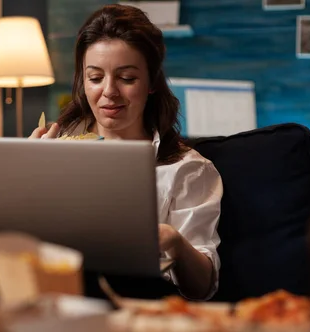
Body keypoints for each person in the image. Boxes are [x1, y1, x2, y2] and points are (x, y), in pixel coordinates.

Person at [30, 4, 223, 301]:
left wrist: (173, 241)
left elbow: (202, 287)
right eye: (95, 78)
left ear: (151, 83)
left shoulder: (187, 169)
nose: (109, 91)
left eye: (127, 78)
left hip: (133, 295)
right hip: (51, 290)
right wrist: (27, 170)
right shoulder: (50, 149)